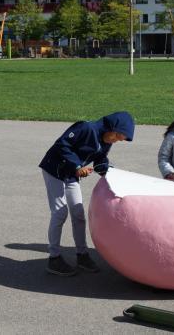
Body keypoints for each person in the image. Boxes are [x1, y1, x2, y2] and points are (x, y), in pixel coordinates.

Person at [39, 111, 134, 276]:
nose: (117, 140)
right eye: (118, 136)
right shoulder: (86, 127)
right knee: (60, 213)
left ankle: (82, 255)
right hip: (54, 171)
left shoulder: (106, 139)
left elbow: (100, 159)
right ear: (111, 127)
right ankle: (54, 258)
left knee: (78, 214)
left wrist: (111, 173)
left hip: (71, 175)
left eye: (121, 139)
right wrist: (77, 166)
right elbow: (62, 145)